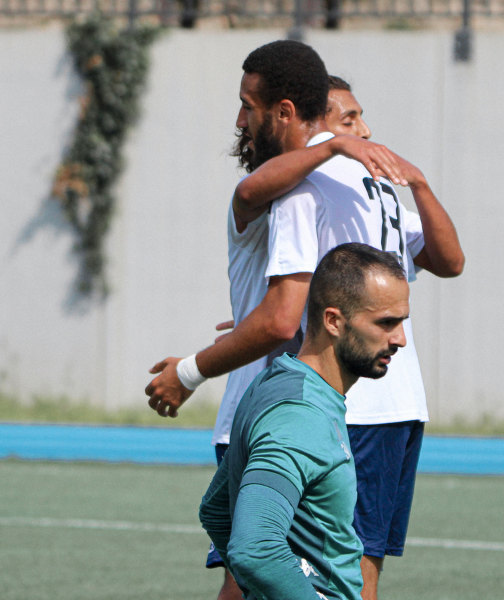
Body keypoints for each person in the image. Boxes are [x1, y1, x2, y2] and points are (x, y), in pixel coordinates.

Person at [145, 39, 464, 600]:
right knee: (350, 572)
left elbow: (280, 317)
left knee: (257, 569)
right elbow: (443, 264)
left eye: (249, 105)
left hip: (313, 403)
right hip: (391, 403)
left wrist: (190, 371)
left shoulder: (298, 189)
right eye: (350, 120)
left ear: (286, 111)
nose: (241, 120)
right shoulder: (376, 186)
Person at [199, 243, 411, 600]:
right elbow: (254, 548)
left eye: (402, 322)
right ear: (333, 321)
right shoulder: (299, 414)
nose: (400, 339)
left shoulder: (279, 382)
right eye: (385, 323)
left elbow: (217, 511)